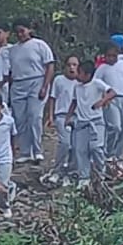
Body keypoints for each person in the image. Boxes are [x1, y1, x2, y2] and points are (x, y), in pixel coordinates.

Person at [5, 20, 55, 164]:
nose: (20, 34)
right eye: (17, 32)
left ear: (29, 30)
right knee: (20, 119)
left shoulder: (40, 45)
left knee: (34, 116)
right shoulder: (12, 50)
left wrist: (45, 86)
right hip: (18, 84)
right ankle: (25, 151)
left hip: (36, 81)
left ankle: (37, 150)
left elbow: (50, 66)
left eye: (22, 31)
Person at [67, 60, 113, 184]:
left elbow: (112, 92)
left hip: (96, 121)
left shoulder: (97, 83)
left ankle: (101, 172)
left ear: (87, 75)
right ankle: (84, 177)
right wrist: (68, 117)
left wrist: (102, 101)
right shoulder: (77, 87)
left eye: (80, 73)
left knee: (96, 147)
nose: (77, 75)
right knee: (80, 150)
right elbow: (74, 102)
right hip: (81, 122)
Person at [95, 44, 123, 163]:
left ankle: (119, 156)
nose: (111, 58)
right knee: (115, 127)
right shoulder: (102, 69)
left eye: (114, 56)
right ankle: (109, 152)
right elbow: (96, 83)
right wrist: (103, 97)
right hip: (111, 99)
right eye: (108, 56)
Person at [44, 55, 81, 183]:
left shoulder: (81, 82)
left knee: (75, 146)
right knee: (64, 143)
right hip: (61, 115)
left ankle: (71, 171)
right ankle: (57, 170)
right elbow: (52, 98)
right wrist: (50, 116)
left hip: (77, 116)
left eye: (74, 65)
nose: (71, 68)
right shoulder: (59, 80)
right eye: (69, 65)